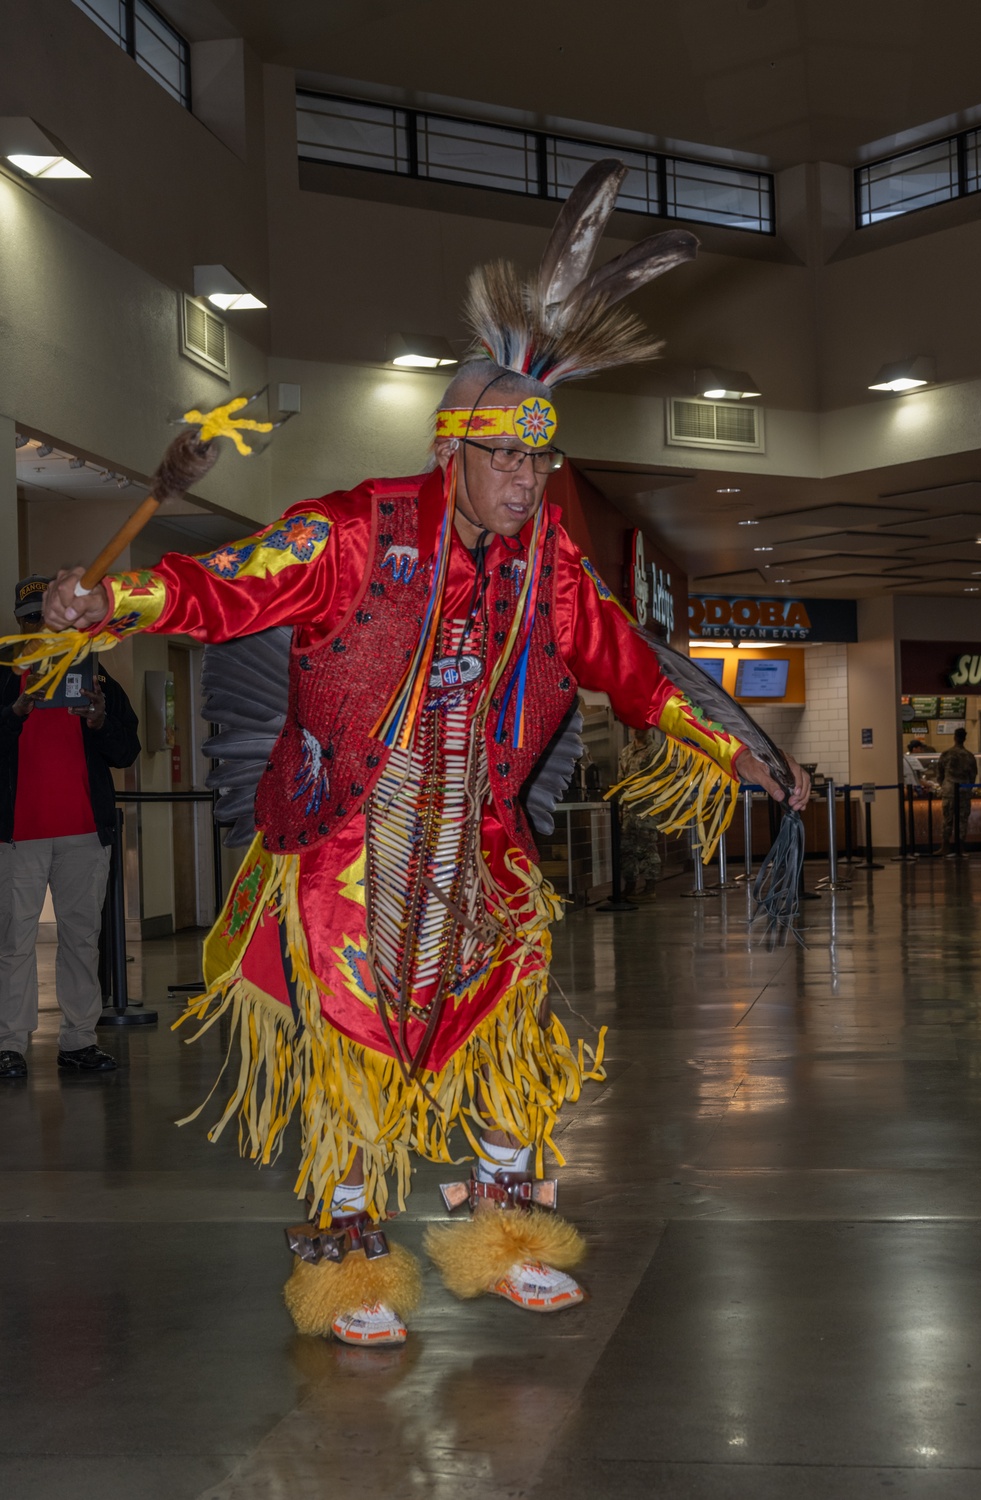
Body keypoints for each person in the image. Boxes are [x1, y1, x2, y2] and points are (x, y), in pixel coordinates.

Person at [41, 159, 809, 1347]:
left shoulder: (544, 562)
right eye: (507, 457)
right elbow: (226, 586)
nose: (527, 480)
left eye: (541, 461)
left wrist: (741, 749)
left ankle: (503, 1239)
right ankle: (350, 1264)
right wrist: (117, 601)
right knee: (350, 1043)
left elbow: (629, 665)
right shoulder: (356, 532)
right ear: (452, 446)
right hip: (348, 837)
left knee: (510, 1027)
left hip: (479, 841)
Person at [0, 575, 140, 1079]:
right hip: (17, 836)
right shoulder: (2, 679)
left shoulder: (96, 679)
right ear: (19, 624)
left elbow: (126, 752)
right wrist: (13, 716)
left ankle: (79, 1040)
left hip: (84, 832)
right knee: (14, 941)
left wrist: (101, 722)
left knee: (83, 937)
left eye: (53, 618)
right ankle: (8, 1044)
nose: (43, 627)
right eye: (34, 618)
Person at [618, 726, 662, 898]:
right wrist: (621, 806)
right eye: (633, 727)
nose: (636, 731)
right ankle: (630, 885)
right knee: (627, 848)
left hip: (647, 807)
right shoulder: (626, 751)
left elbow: (660, 780)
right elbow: (620, 780)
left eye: (640, 727)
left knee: (646, 846)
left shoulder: (655, 751)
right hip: (629, 808)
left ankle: (650, 887)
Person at [934, 726, 978, 855]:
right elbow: (973, 775)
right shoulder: (969, 756)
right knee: (962, 820)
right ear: (965, 738)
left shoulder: (946, 754)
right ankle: (961, 847)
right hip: (964, 791)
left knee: (948, 819)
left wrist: (944, 785)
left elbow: (939, 773)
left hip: (949, 790)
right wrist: (969, 788)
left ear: (954, 737)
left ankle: (945, 846)